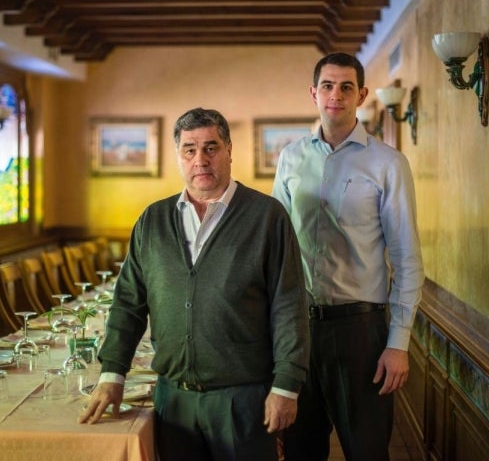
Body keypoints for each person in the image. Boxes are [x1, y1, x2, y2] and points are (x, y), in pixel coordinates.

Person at [78, 107, 310, 461]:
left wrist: (286, 387)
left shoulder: (267, 217)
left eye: (211, 147)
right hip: (174, 400)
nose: (200, 159)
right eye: (189, 149)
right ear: (178, 157)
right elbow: (128, 303)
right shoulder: (153, 220)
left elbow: (289, 307)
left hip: (243, 401)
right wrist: (113, 373)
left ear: (229, 150)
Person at [272, 53, 425, 461]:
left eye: (345, 87)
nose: (335, 95)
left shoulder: (389, 163)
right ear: (313, 93)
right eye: (327, 86)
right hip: (299, 332)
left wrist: (399, 343)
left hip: (362, 333)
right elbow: (276, 246)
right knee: (301, 450)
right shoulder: (290, 158)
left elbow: (408, 259)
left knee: (367, 451)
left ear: (361, 94)